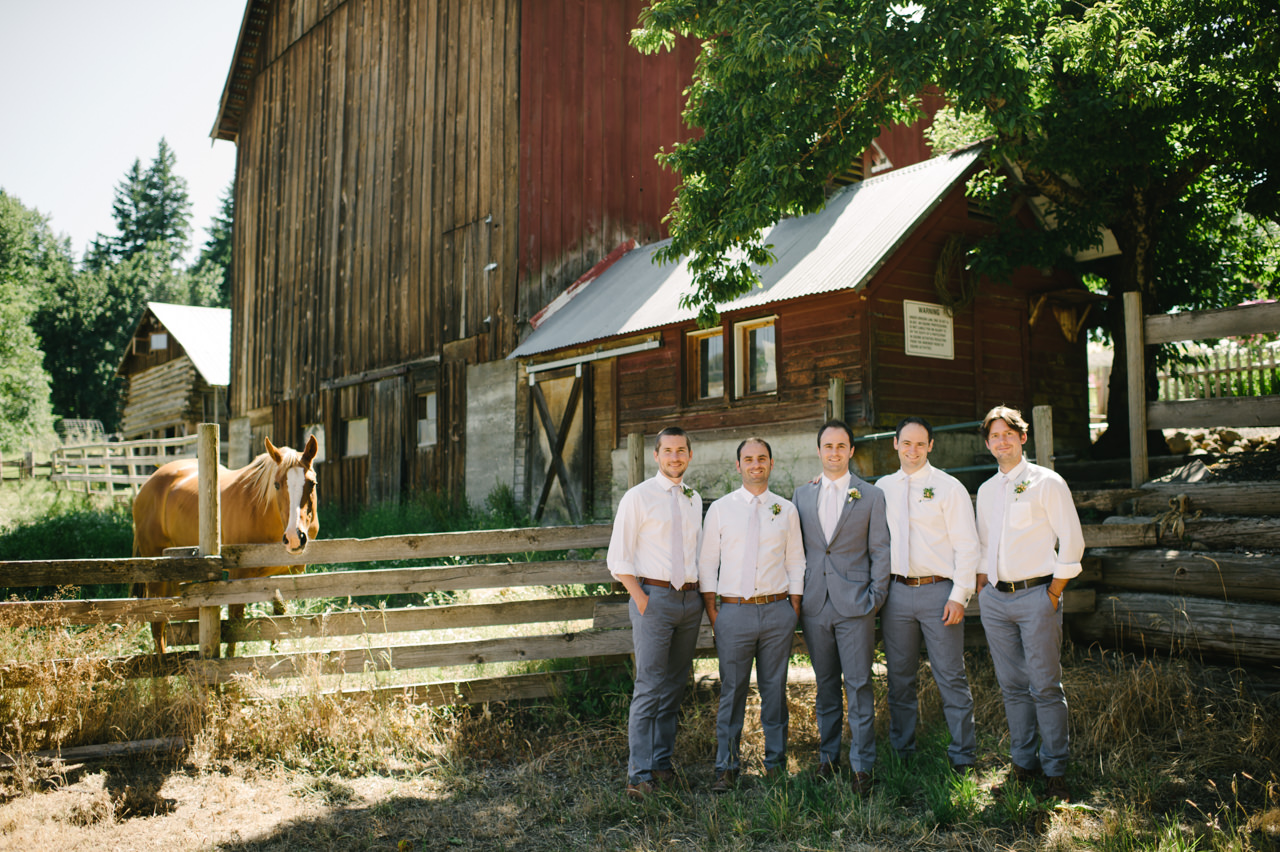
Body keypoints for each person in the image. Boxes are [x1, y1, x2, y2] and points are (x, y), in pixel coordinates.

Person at [975, 405, 1085, 803]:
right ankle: (1023, 763)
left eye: (1008, 433)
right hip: (996, 601)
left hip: (1037, 596)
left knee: (1045, 686)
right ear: (988, 444)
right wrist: (984, 587)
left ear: (1023, 438)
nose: (1001, 441)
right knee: (1012, 686)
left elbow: (1072, 541)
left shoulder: (1047, 482)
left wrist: (1053, 593)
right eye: (994, 436)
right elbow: (985, 544)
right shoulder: (987, 491)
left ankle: (1055, 769)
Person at [699, 438, 805, 793]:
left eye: (762, 458)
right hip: (734, 612)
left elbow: (796, 561)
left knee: (775, 690)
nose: (755, 464)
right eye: (748, 459)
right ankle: (726, 767)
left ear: (771, 464)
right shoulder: (721, 510)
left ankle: (775, 765)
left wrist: (793, 607)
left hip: (777, 612)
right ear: (738, 465)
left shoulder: (786, 510)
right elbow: (707, 563)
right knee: (733, 691)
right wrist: (715, 611)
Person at [607, 426, 705, 801]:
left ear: (690, 455)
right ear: (656, 456)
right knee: (649, 686)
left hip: (689, 602)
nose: (675, 457)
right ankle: (638, 773)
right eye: (668, 451)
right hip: (654, 599)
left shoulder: (693, 499)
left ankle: (662, 765)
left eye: (681, 450)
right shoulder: (638, 497)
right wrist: (642, 599)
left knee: (675, 686)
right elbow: (618, 558)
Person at [793, 418, 890, 793]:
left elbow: (881, 549)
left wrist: (875, 598)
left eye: (840, 446)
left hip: (856, 606)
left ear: (851, 451)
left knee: (860, 684)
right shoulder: (802, 495)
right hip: (816, 605)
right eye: (827, 446)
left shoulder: (871, 495)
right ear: (819, 452)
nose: (834, 452)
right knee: (826, 686)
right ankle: (828, 758)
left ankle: (862, 766)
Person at [879, 417, 980, 774]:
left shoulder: (948, 487)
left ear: (931, 447)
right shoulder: (883, 488)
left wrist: (960, 595)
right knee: (900, 677)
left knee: (951, 676)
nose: (913, 450)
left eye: (921, 444)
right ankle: (902, 753)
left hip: (939, 593)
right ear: (895, 444)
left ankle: (963, 755)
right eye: (906, 443)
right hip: (896, 595)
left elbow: (968, 546)